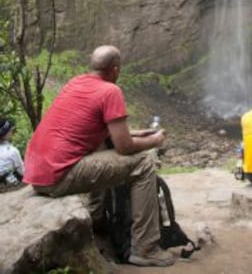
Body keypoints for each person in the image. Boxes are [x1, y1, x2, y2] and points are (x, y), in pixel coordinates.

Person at [23, 45, 174, 267]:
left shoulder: (76, 82)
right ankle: (146, 248)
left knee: (103, 144)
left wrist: (137, 133)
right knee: (144, 162)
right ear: (115, 69)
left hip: (37, 173)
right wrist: (156, 140)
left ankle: (96, 218)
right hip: (57, 178)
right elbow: (124, 147)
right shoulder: (110, 91)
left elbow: (96, 128)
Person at [0, 118, 25, 187]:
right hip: (9, 185)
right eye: (10, 130)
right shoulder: (12, 151)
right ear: (5, 133)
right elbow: (22, 171)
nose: (12, 132)